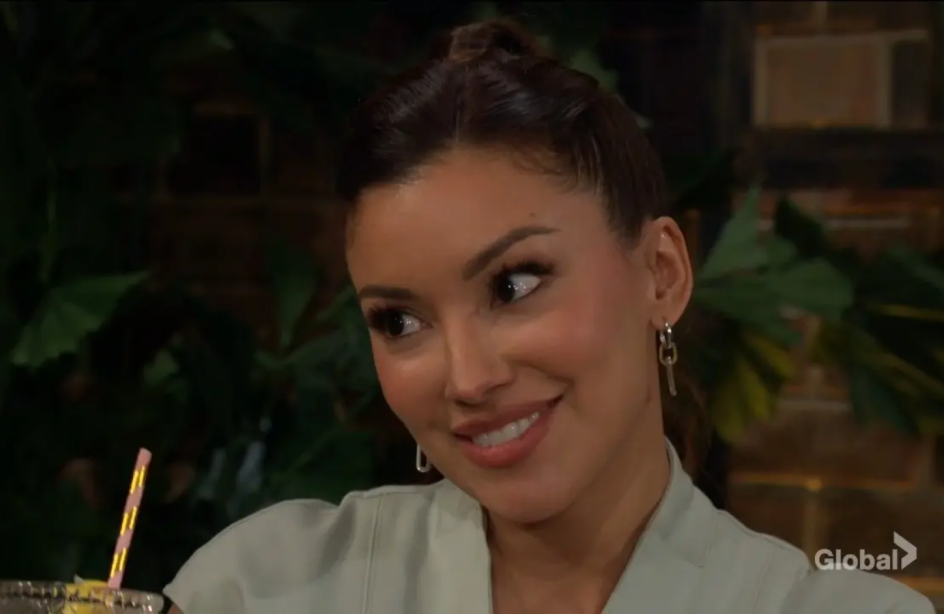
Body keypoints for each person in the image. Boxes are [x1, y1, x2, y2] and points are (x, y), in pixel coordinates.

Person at [163, 19, 934, 614]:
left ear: (661, 274)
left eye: (515, 284)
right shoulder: (263, 588)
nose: (468, 379)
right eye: (399, 322)